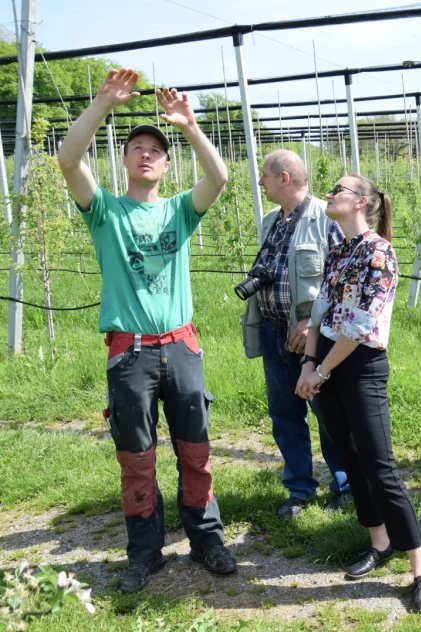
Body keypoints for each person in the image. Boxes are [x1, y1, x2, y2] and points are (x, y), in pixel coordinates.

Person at [57, 69, 236, 594]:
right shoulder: (107, 212)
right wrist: (101, 105)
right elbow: (68, 160)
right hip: (130, 354)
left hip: (181, 347)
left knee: (195, 449)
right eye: (136, 147)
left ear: (164, 163)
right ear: (127, 159)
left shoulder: (181, 210)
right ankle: (145, 553)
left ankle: (206, 539)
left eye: (155, 149)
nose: (145, 154)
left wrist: (187, 126)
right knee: (137, 457)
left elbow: (220, 177)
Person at [295, 175, 421, 612]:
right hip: (326, 366)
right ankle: (380, 541)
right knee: (350, 456)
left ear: (362, 202)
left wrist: (320, 369)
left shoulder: (379, 252)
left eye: (339, 189)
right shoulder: (338, 249)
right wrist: (308, 364)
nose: (330, 193)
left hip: (358, 366)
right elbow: (320, 312)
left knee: (380, 465)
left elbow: (359, 324)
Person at [240, 150, 351, 518]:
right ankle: (299, 489)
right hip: (275, 334)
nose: (260, 183)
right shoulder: (271, 219)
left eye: (264, 177)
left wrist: (311, 324)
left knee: (328, 411)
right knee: (284, 414)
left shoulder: (326, 218)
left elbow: (341, 281)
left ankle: (345, 484)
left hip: (312, 339)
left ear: (283, 178)